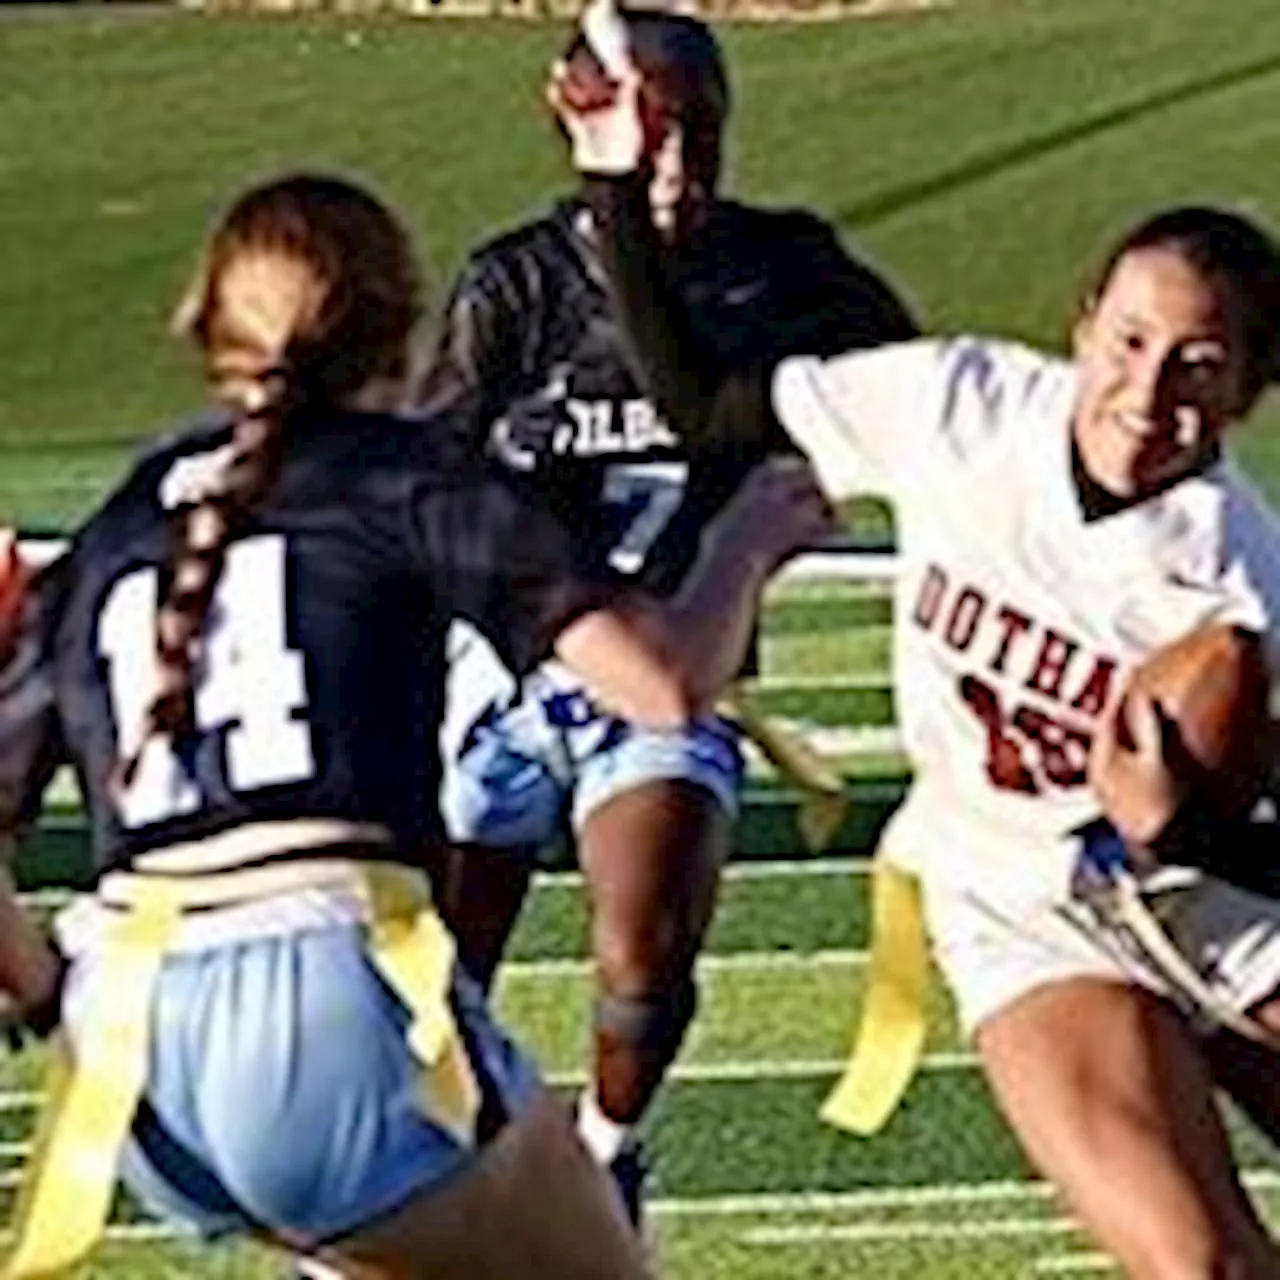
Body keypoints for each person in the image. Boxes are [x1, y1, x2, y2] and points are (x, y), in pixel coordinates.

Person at [0, 173, 831, 1280]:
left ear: (208, 328)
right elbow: (665, 684)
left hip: (132, 1045)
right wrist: (748, 540)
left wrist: (55, 997)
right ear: (396, 332)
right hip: (325, 1005)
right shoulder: (406, 476)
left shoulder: (116, 524)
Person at [550, 47, 1280, 1278]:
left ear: (1248, 394)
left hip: (1233, 914)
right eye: (1130, 336)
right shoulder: (961, 407)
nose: (1143, 388)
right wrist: (614, 186)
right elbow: (705, 402)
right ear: (1081, 323)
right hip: (1024, 912)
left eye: (1196, 363)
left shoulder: (1238, 577)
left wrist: (1188, 830)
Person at [417, 6, 917, 1213]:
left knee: (641, 957)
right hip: (499, 679)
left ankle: (601, 1154)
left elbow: (920, 397)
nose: (681, 166)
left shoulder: (788, 271)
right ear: (577, 115)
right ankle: (413, 1183)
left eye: (701, 130)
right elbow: (421, 481)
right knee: (434, 978)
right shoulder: (518, 285)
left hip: (670, 677)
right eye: (654, 132)